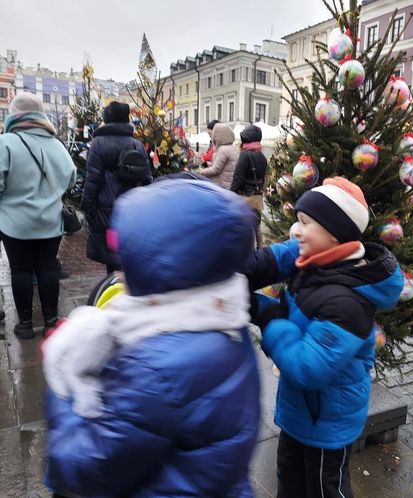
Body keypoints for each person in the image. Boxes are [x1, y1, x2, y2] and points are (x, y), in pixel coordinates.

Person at [42, 179, 260, 497]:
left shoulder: (157, 367)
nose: (119, 271)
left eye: (128, 260)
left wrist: (62, 381)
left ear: (163, 267)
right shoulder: (221, 317)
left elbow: (87, 467)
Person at [244, 177, 404, 498]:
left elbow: (308, 367)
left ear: (334, 233)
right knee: (289, 480)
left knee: (323, 488)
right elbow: (275, 258)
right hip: (300, 413)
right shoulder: (319, 258)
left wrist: (267, 313)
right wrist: (235, 271)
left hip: (325, 421)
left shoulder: (347, 302)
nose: (295, 230)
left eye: (305, 223)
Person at [0, 93, 76, 339]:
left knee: (20, 270)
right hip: (51, 222)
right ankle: (51, 320)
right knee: (47, 268)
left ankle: (24, 324)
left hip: (15, 223)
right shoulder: (56, 144)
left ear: (14, 114)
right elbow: (72, 177)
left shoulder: (7, 142)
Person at [81, 101, 151, 274]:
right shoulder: (137, 144)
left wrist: (87, 205)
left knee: (112, 256)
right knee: (128, 251)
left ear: (106, 119)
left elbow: (92, 178)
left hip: (108, 211)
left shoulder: (98, 143)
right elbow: (148, 178)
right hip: (133, 208)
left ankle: (114, 289)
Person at [231, 124, 267, 247]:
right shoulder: (262, 156)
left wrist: (231, 193)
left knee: (246, 225)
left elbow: (238, 177)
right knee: (256, 223)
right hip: (257, 194)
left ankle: (249, 251)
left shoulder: (245, 155)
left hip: (245, 195)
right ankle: (260, 248)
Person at [198, 123, 237, 189]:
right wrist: (207, 164)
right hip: (228, 184)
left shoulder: (223, 149)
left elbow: (216, 169)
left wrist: (202, 171)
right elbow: (221, 165)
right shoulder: (231, 148)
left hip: (222, 185)